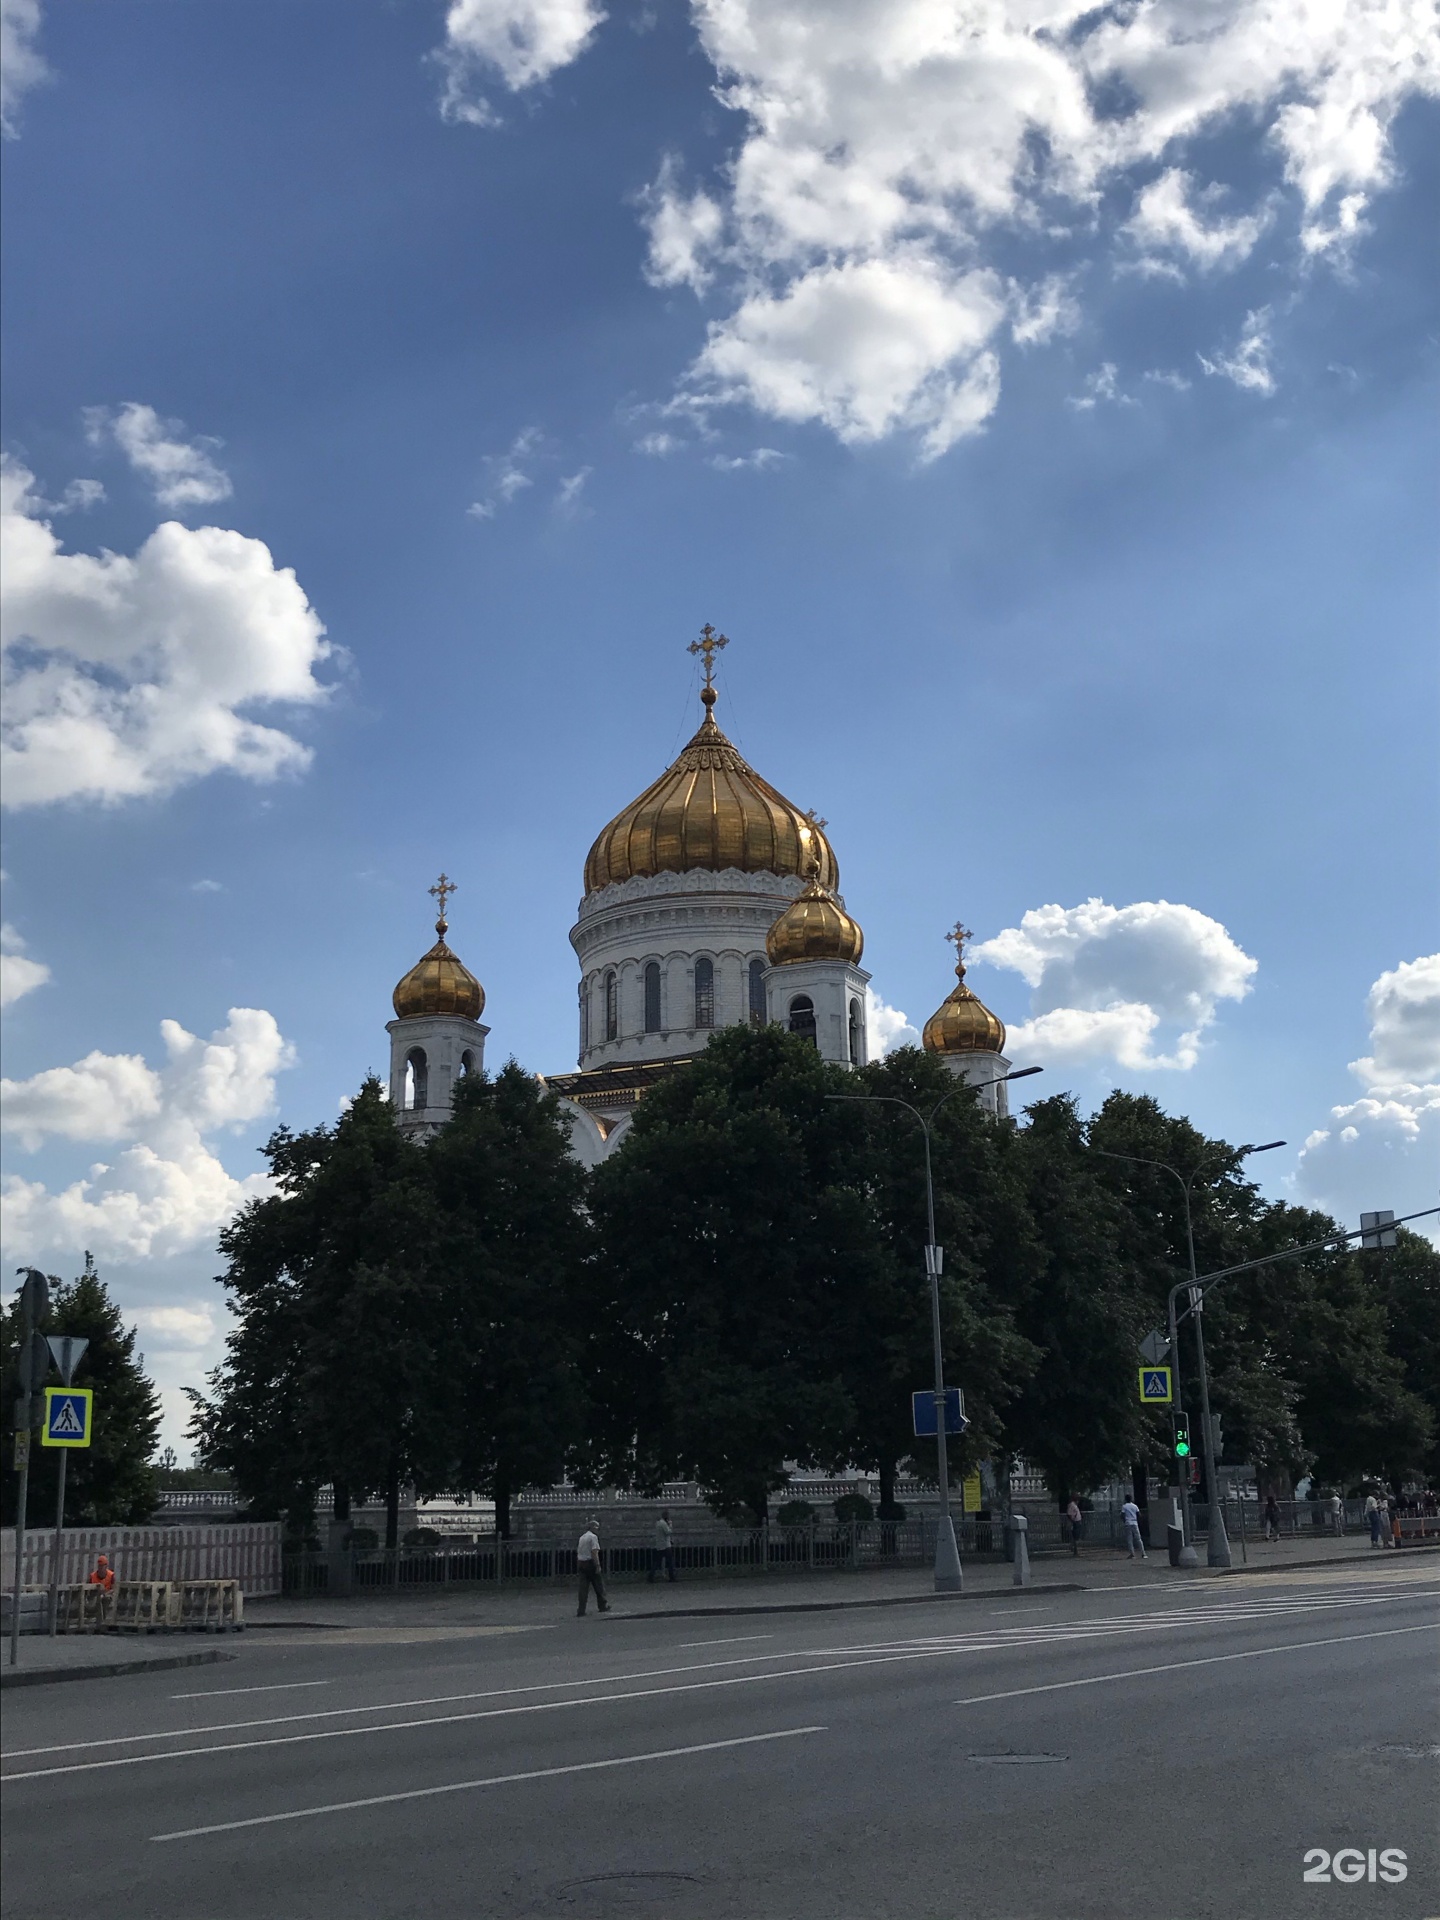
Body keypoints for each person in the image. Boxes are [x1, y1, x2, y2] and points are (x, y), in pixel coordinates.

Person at [576, 1517, 608, 1615]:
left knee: (583, 1589)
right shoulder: (593, 1537)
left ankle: (581, 1610)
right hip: (590, 1563)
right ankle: (602, 1605)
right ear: (593, 1527)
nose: (598, 1530)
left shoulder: (582, 1537)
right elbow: (594, 1552)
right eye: (597, 1527)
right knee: (599, 1585)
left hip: (581, 1563)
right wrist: (597, 1565)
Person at [648, 1508, 677, 1584]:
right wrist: (670, 1525)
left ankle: (651, 1576)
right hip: (666, 1545)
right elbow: (668, 1532)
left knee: (657, 1562)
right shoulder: (663, 1524)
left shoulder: (658, 1523)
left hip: (660, 1545)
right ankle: (672, 1577)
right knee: (670, 1562)